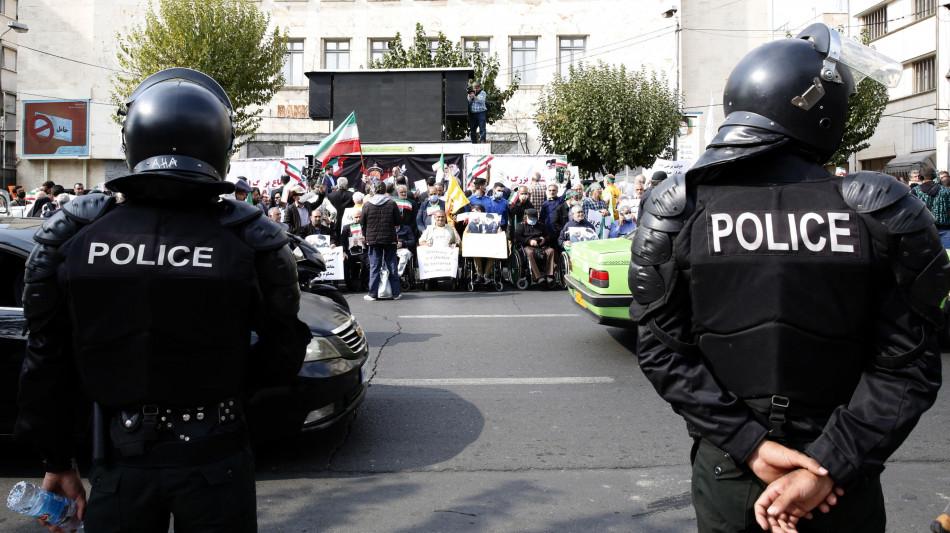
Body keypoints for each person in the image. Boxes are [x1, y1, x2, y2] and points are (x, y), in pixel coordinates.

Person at [628, 25, 945, 533]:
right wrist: (830, 465)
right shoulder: (879, 209)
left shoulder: (680, 208)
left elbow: (663, 352)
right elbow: (909, 365)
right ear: (818, 108)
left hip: (732, 467)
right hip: (840, 477)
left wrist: (751, 446)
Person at [15, 68, 310, 532]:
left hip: (120, 459)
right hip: (218, 453)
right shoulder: (250, 238)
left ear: (133, 141)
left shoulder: (77, 235)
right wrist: (224, 381)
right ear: (221, 145)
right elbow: (282, 351)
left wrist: (57, 459)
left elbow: (45, 356)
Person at [361, 182, 402, 301]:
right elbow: (398, 221)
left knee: (374, 267)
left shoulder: (367, 204)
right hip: (390, 238)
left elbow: (362, 222)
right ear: (385, 190)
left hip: (373, 240)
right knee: (392, 266)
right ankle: (396, 293)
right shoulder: (392, 203)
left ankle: (372, 294)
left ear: (373, 190)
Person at [911, 167, 950, 248]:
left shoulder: (915, 191)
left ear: (920, 177)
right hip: (944, 229)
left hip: (924, 229)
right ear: (935, 177)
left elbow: (912, 211)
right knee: (947, 255)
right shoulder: (946, 190)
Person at [513, 208, 555, 284]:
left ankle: (549, 275)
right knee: (530, 253)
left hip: (541, 246)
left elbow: (549, 236)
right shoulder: (521, 226)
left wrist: (544, 239)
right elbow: (517, 238)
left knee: (551, 251)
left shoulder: (541, 225)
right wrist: (529, 241)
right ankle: (537, 276)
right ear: (526, 217)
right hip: (527, 246)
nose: (533, 220)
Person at [341, 210, 369, 291]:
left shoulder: (367, 227)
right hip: (350, 251)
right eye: (356, 217)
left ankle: (364, 282)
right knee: (344, 263)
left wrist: (366, 241)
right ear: (352, 218)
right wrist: (344, 252)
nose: (358, 219)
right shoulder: (346, 227)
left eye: (360, 217)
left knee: (372, 264)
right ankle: (349, 285)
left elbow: (372, 239)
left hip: (364, 251)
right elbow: (342, 241)